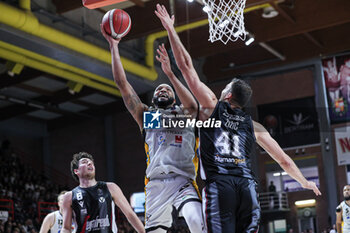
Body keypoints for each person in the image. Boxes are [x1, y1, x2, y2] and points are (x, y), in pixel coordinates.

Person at [155, 4, 322, 233]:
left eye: (225, 87)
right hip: (247, 188)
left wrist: (170, 29)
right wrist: (304, 182)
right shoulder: (254, 125)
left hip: (220, 187)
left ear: (229, 94)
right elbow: (283, 160)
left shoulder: (211, 107)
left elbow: (186, 67)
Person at [100, 23, 204, 233]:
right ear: (154, 99)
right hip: (156, 182)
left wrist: (171, 75)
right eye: (159, 89)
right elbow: (122, 83)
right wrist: (114, 46)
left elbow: (193, 105)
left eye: (167, 89)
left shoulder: (184, 115)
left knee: (196, 220)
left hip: (183, 180)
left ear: (174, 98)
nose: (163, 90)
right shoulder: (149, 116)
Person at [61, 152, 145, 233]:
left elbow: (130, 214)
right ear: (76, 171)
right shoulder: (69, 196)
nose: (90, 163)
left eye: (91, 162)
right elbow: (66, 228)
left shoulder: (111, 187)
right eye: (85, 162)